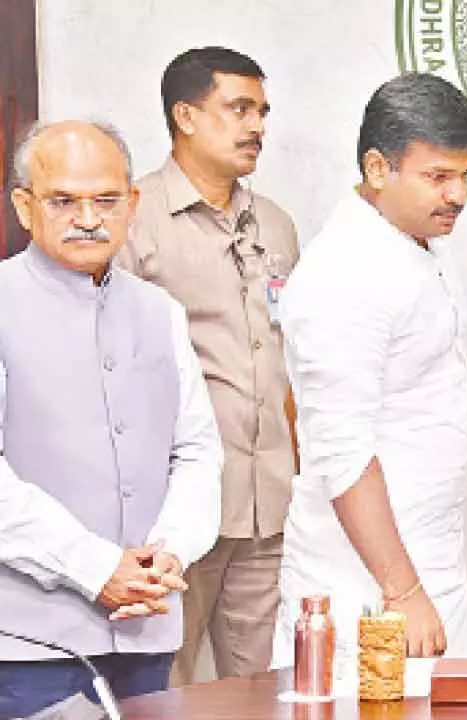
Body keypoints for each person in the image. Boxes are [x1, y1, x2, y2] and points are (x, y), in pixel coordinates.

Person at [0, 120, 222, 717]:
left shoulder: (161, 312)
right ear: (25, 207)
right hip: (28, 647)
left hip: (148, 630)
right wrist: (96, 568)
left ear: (133, 203)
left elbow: (196, 449)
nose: (89, 218)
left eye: (106, 200)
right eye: (63, 201)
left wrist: (169, 555)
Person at [270, 72, 467, 681]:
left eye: (466, 175)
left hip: (432, 558)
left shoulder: (419, 242)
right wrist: (403, 590)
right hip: (367, 582)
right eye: (438, 177)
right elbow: (341, 449)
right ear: (377, 168)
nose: (459, 195)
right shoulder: (345, 273)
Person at [116, 46, 299, 684]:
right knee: (162, 685)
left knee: (263, 688)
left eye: (262, 111)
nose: (257, 127)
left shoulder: (274, 225)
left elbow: (289, 365)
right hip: (173, 517)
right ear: (186, 116)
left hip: (265, 509)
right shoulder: (133, 222)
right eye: (239, 108)